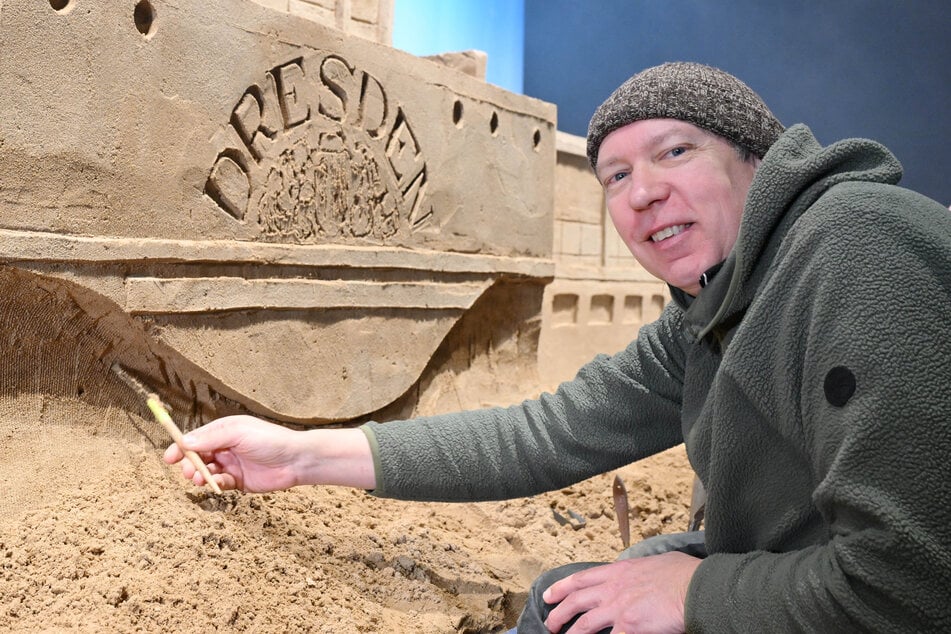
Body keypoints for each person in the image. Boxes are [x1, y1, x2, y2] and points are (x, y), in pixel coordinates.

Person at [165, 62, 951, 632]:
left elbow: (913, 582)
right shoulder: (709, 315)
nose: (639, 192)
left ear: (758, 157)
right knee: (576, 594)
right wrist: (301, 457)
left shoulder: (854, 249)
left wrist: (695, 596)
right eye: (613, 175)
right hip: (810, 567)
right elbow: (544, 434)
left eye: (673, 152)